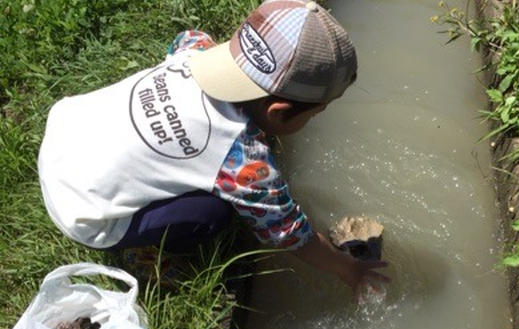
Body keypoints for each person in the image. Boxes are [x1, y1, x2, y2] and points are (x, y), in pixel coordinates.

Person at [38, 0, 388, 299]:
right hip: (85, 215)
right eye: (315, 114)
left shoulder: (195, 51)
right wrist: (349, 270)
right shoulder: (243, 160)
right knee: (212, 215)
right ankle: (142, 254)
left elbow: (185, 36)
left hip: (63, 139)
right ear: (278, 113)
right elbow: (288, 231)